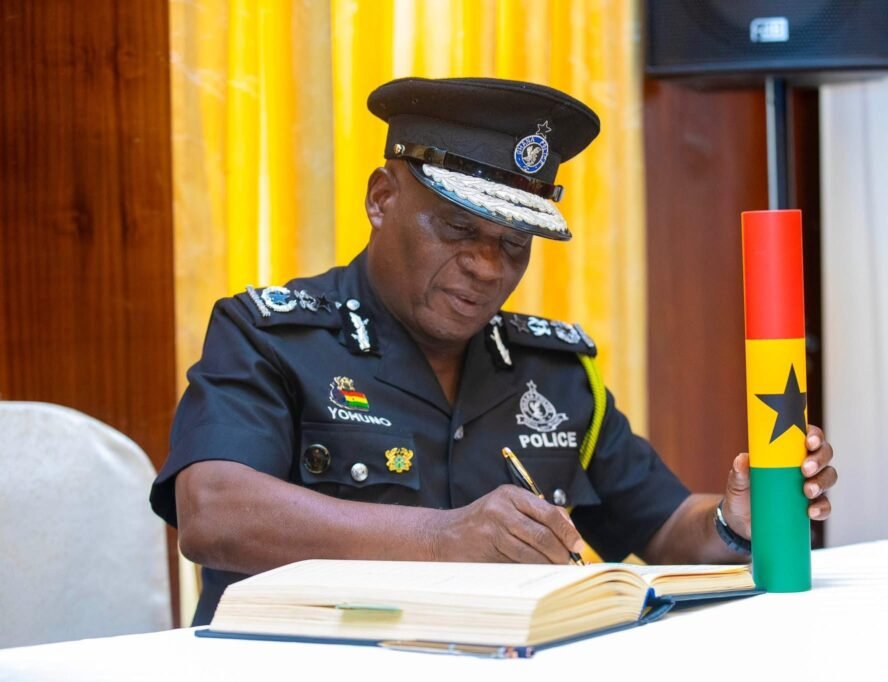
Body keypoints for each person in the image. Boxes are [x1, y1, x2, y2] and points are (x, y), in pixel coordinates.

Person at [150, 77, 837, 626]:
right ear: (382, 198)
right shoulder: (271, 337)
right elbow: (214, 512)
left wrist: (733, 519)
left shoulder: (554, 371)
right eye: (457, 228)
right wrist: (442, 539)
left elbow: (664, 528)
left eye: (513, 244)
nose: (486, 267)